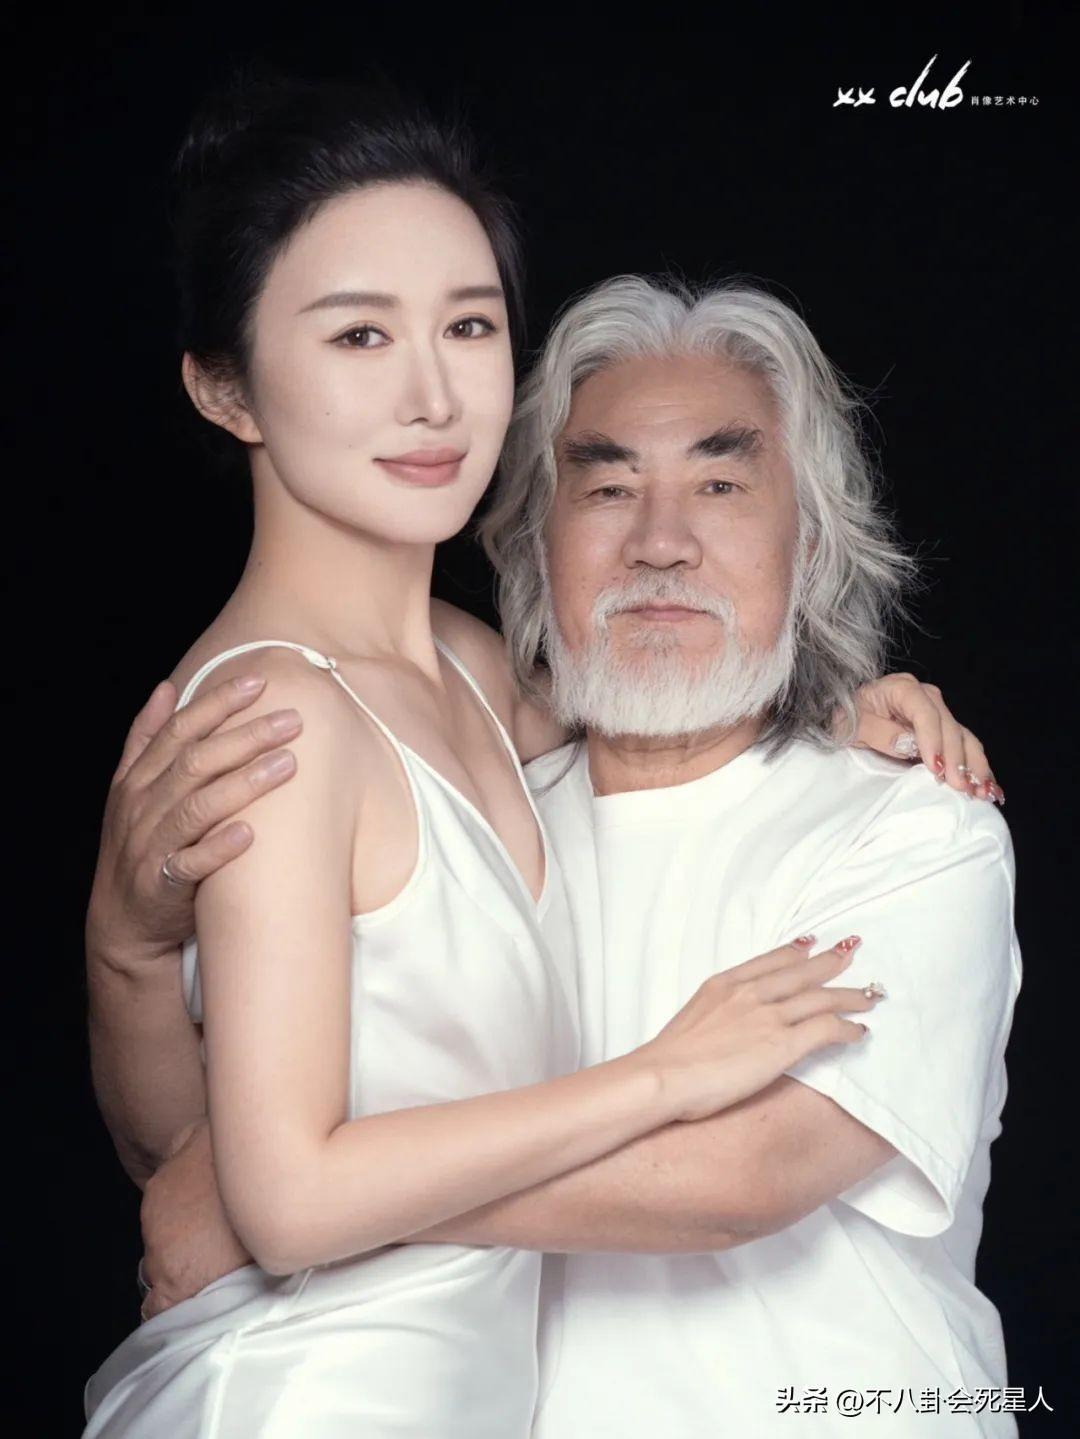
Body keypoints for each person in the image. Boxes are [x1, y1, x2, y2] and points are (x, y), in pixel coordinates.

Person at [81, 79, 914, 1439]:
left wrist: (852, 708)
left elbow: (673, 713)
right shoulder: (276, 721)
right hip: (311, 1403)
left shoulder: (473, 669)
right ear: (227, 387)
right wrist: (665, 1075)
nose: (433, 397)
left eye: (468, 325)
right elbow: (277, 1201)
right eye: (359, 334)